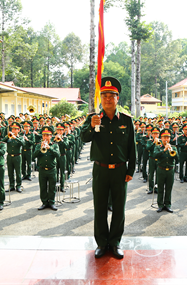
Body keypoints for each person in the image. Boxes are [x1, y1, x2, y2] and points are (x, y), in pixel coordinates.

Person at [80, 76, 135, 260]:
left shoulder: (126, 120)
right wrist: (91, 127)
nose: (108, 99)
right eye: (104, 96)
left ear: (117, 98)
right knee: (100, 207)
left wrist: (131, 170)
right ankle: (102, 243)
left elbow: (131, 147)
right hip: (100, 170)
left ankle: (115, 242)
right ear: (100, 99)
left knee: (119, 208)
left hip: (120, 170)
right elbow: (84, 138)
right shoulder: (93, 118)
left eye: (112, 96)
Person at [33, 126, 60, 211]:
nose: (45, 137)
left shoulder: (55, 145)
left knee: (52, 187)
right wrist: (40, 149)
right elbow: (33, 156)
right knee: (43, 187)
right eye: (44, 135)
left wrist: (49, 148)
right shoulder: (38, 146)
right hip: (42, 169)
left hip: (52, 170)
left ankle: (51, 202)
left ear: (51, 136)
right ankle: (44, 202)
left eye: (47, 135)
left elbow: (58, 155)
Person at [154, 128, 178, 213]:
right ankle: (160, 205)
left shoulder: (174, 148)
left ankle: (167, 205)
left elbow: (177, 159)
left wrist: (172, 151)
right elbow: (155, 155)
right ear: (161, 138)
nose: (166, 139)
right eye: (164, 137)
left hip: (170, 171)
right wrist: (164, 150)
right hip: (161, 170)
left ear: (170, 138)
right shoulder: (158, 147)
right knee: (160, 188)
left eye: (168, 137)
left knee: (169, 188)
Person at [3, 122, 25, 193]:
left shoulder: (20, 137)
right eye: (13, 129)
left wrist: (15, 138)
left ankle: (18, 186)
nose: (13, 131)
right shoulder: (9, 137)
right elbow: (1, 141)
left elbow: (23, 144)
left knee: (18, 172)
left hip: (17, 156)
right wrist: (7, 136)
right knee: (10, 172)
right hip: (9, 156)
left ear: (19, 130)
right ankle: (12, 185)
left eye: (15, 129)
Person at [54, 123, 69, 191]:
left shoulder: (65, 138)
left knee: (62, 172)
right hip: (55, 157)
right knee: (55, 171)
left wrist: (61, 140)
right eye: (58, 130)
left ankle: (62, 186)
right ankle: (56, 185)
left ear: (63, 131)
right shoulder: (53, 137)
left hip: (62, 156)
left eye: (61, 130)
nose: (59, 131)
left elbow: (67, 146)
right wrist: (54, 140)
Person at [146, 127, 160, 194]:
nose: (155, 135)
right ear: (151, 134)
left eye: (157, 134)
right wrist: (153, 143)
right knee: (151, 174)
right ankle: (151, 188)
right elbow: (148, 148)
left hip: (159, 160)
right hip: (152, 159)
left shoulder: (161, 142)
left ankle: (157, 188)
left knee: (158, 174)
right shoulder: (149, 141)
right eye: (154, 134)